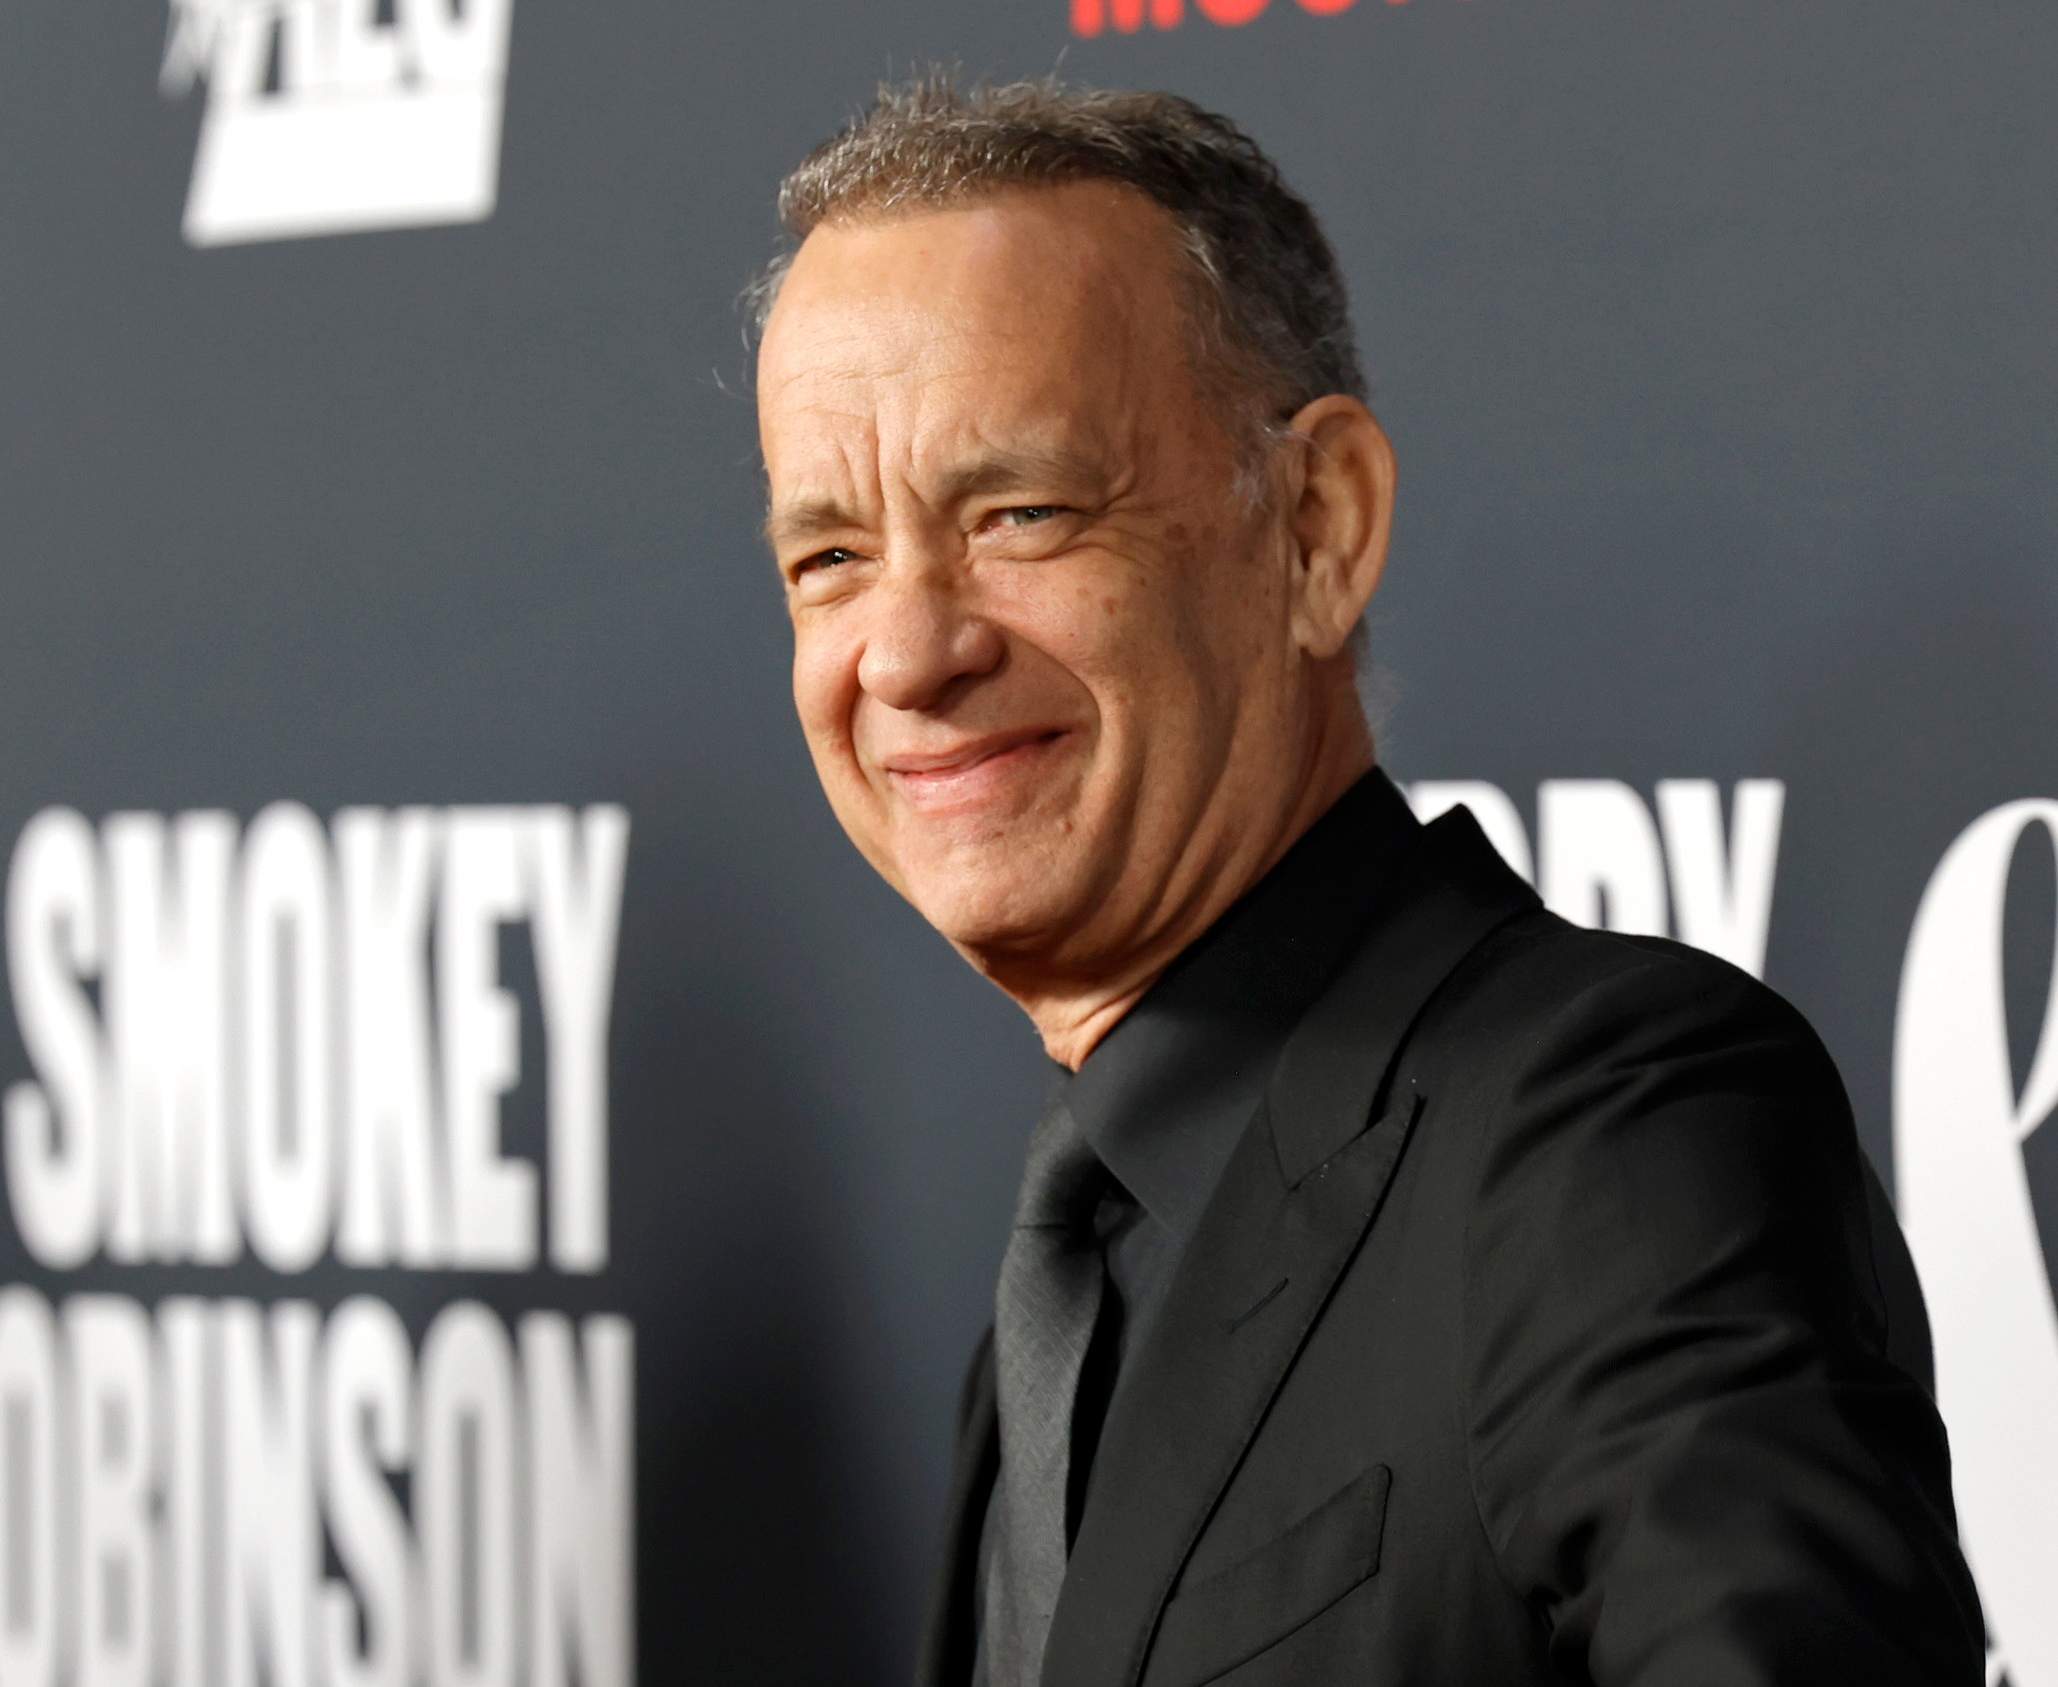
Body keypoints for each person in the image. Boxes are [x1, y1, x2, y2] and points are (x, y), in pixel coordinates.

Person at [749, 79, 1984, 1687]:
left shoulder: (1604, 1129)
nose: (906, 650)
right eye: (829, 557)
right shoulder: (1057, 1312)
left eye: (1022, 513)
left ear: (1320, 530)